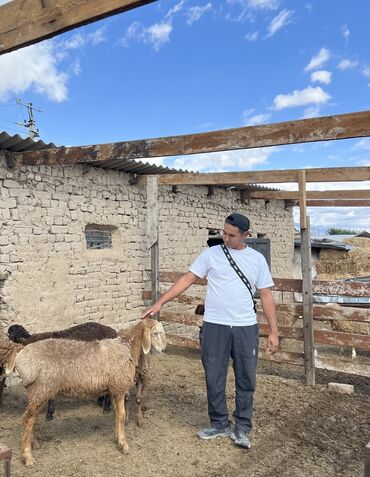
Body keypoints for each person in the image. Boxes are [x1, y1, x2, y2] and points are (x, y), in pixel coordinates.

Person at [141, 212, 279, 449]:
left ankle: (242, 427)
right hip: (214, 326)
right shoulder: (211, 254)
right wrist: (160, 302)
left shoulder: (257, 260)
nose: (225, 237)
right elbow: (187, 279)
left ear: (245, 235)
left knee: (246, 378)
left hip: (246, 327)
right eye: (223, 232)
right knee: (214, 377)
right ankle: (219, 423)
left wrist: (274, 331)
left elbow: (266, 295)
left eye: (231, 235)